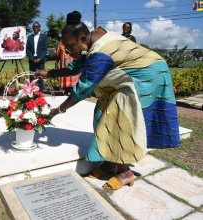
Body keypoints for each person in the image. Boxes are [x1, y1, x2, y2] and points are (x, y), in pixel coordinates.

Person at [35, 11, 180, 190]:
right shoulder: (92, 39)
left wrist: (57, 111)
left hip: (149, 74)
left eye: (70, 47)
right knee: (101, 112)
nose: (69, 52)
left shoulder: (100, 53)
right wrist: (49, 74)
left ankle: (125, 171)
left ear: (82, 39)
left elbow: (82, 88)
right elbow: (76, 67)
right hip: (130, 77)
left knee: (117, 117)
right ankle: (110, 163)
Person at [26, 22, 48, 93]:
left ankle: (40, 92)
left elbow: (45, 49)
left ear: (39, 27)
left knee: (41, 76)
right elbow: (27, 49)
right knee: (32, 76)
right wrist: (32, 58)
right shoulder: (29, 37)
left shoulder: (44, 37)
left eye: (36, 26)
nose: (35, 28)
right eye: (34, 27)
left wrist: (40, 58)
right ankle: (32, 92)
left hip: (40, 60)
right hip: (32, 60)